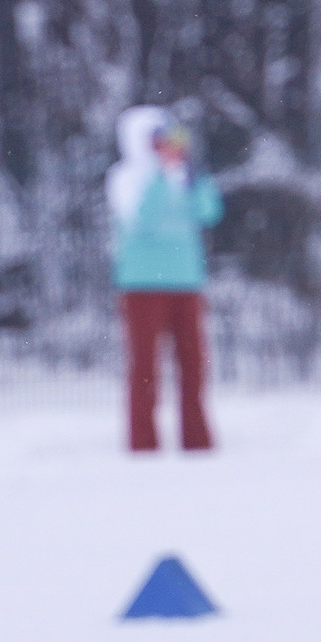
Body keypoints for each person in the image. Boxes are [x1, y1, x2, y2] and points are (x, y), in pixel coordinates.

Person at [106, 106, 223, 452]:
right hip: (142, 284)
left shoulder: (185, 177)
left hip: (186, 280)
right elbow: (142, 220)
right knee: (144, 366)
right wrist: (161, 176)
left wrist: (195, 180)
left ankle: (197, 440)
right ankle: (143, 442)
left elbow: (209, 212)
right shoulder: (125, 178)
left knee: (193, 364)